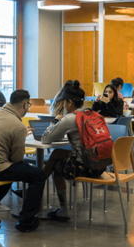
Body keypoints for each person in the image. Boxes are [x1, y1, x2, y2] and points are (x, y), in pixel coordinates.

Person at [0, 89, 46, 233]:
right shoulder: (18, 125)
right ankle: (26, 220)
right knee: (38, 175)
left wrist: (19, 134)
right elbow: (17, 159)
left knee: (10, 171)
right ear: (25, 104)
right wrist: (20, 135)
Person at [42, 80, 106, 222]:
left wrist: (54, 121)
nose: (64, 105)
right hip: (100, 165)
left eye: (64, 102)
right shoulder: (93, 114)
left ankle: (63, 210)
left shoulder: (70, 118)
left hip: (86, 168)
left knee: (56, 166)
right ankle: (38, 187)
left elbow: (46, 139)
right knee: (57, 154)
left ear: (69, 102)